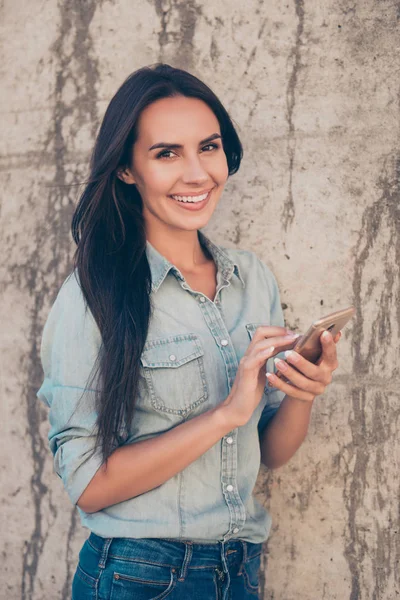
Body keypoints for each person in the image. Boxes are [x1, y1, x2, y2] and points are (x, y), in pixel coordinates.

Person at [37, 64, 340, 600]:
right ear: (128, 169)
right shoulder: (93, 294)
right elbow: (87, 486)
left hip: (238, 570)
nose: (198, 173)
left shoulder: (252, 277)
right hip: (138, 575)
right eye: (166, 153)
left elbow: (269, 451)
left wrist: (302, 392)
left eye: (209, 147)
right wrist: (225, 413)